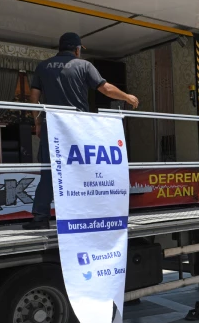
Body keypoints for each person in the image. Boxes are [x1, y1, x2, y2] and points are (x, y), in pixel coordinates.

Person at [23, 32, 139, 230]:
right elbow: (105, 89)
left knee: (49, 172)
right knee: (82, 170)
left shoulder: (43, 66)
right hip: (78, 127)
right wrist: (127, 96)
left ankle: (40, 218)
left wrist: (38, 123)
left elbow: (33, 97)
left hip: (53, 126)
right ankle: (84, 215)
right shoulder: (84, 65)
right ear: (77, 49)